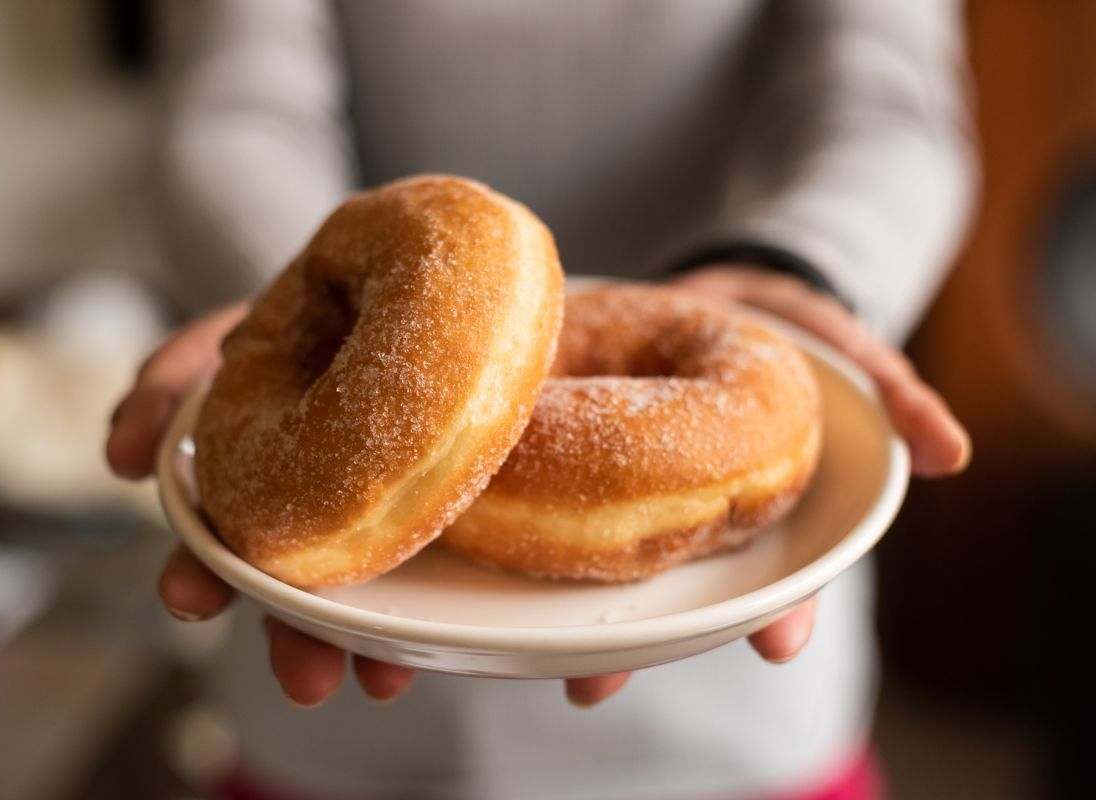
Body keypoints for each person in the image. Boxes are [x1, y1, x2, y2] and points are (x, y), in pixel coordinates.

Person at [107, 1, 975, 797]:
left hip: (732, 695)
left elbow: (887, 105)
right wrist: (297, 302)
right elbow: (236, 108)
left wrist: (797, 264)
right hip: (345, 671)